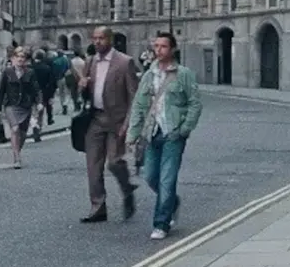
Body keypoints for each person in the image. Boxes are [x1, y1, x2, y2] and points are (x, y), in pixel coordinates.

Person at [126, 32, 202, 240]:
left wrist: (184, 129)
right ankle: (172, 203)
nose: (158, 50)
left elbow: (195, 103)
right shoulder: (149, 75)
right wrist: (132, 134)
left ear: (173, 49)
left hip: (173, 134)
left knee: (167, 180)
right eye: (156, 46)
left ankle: (161, 224)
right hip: (152, 133)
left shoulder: (184, 74)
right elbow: (139, 105)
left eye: (163, 47)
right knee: (151, 177)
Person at [77, 26, 140, 223]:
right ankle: (98, 207)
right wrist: (82, 87)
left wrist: (128, 124)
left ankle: (127, 188)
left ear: (110, 40)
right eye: (94, 38)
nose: (97, 42)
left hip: (117, 121)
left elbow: (134, 97)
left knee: (114, 162)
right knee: (93, 166)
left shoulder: (125, 62)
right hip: (95, 119)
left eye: (101, 38)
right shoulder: (90, 62)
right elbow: (85, 94)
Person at [0, 47, 43, 169]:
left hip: (25, 106)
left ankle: (17, 150)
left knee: (22, 134)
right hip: (11, 105)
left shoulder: (30, 72)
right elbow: (1, 91)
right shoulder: (7, 72)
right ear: (13, 59)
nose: (20, 59)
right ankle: (17, 158)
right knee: (15, 129)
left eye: (23, 57)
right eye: (18, 57)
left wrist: (39, 102)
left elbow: (36, 89)